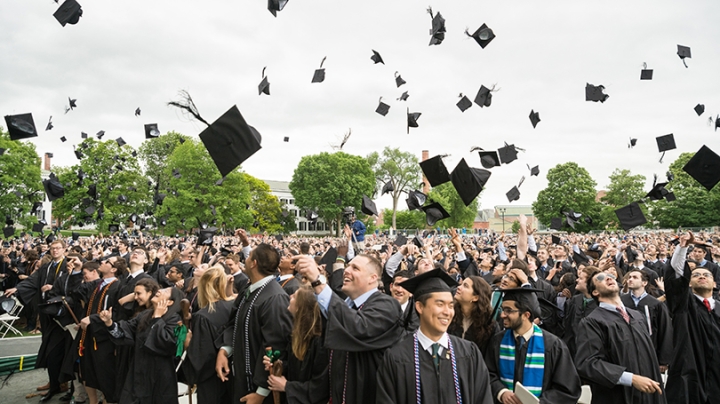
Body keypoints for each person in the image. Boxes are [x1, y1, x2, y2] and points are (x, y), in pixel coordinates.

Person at [294, 252, 403, 404]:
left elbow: (358, 327)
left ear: (372, 278)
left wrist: (318, 281)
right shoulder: (346, 305)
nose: (346, 270)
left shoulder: (387, 305)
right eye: (347, 266)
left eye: (355, 268)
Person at [376, 269, 493, 404]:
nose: (447, 312)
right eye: (440, 304)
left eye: (450, 305)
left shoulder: (469, 352)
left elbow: (483, 398)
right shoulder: (396, 357)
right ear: (419, 307)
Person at [216, 243, 293, 404]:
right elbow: (234, 323)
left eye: (249, 256)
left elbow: (276, 347)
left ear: (254, 263)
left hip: (258, 391)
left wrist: (261, 392)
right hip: (240, 379)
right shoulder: (249, 288)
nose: (246, 259)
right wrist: (225, 350)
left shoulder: (275, 298)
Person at [575, 271, 665, 403]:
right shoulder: (592, 322)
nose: (608, 278)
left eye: (610, 276)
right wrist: (631, 379)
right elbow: (587, 363)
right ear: (595, 292)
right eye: (600, 278)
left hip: (649, 394)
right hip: (617, 396)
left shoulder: (637, 316)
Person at [485, 288, 581, 404]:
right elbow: (488, 374)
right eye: (503, 309)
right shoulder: (497, 341)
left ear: (526, 315)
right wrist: (501, 391)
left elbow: (567, 389)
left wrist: (539, 402)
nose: (502, 315)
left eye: (508, 310)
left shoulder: (553, 346)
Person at [101, 279, 183, 404]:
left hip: (159, 377)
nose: (160, 291)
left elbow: (168, 344)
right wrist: (109, 323)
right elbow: (125, 330)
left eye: (165, 291)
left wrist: (157, 319)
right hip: (138, 372)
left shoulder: (176, 321)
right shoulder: (145, 314)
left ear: (170, 302)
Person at [664, 232, 720, 404]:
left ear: (715, 284)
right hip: (690, 378)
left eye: (706, 275)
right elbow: (676, 277)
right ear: (688, 282)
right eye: (696, 275)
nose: (701, 276)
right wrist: (682, 247)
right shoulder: (684, 305)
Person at [263, 286, 329, 404]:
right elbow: (294, 367)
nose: (290, 296)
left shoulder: (319, 342)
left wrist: (287, 387)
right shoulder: (297, 335)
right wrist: (279, 366)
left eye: (294, 296)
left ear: (300, 307)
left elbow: (320, 388)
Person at [182, 265, 234, 404]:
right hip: (234, 378)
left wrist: (188, 344)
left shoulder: (203, 316)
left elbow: (201, 359)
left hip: (212, 382)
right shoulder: (234, 307)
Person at [77, 257, 125, 404]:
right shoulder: (98, 284)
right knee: (89, 372)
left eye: (106, 262)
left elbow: (116, 313)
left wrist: (93, 319)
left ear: (114, 269)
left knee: (106, 375)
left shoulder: (118, 287)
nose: (102, 262)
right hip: (90, 336)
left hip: (104, 339)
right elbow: (78, 293)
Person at [620, 269, 673, 372]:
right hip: (625, 352)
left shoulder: (655, 304)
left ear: (644, 283)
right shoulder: (621, 302)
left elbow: (665, 330)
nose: (630, 280)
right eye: (629, 277)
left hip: (649, 351)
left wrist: (663, 360)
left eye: (635, 277)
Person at [448, 275, 498, 353]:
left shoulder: (489, 325)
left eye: (465, 286)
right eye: (461, 284)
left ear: (475, 297)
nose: (458, 287)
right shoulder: (450, 315)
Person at [562, 265, 599, 359]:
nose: (577, 280)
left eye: (581, 278)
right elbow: (568, 329)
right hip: (572, 353)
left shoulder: (601, 304)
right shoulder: (574, 301)